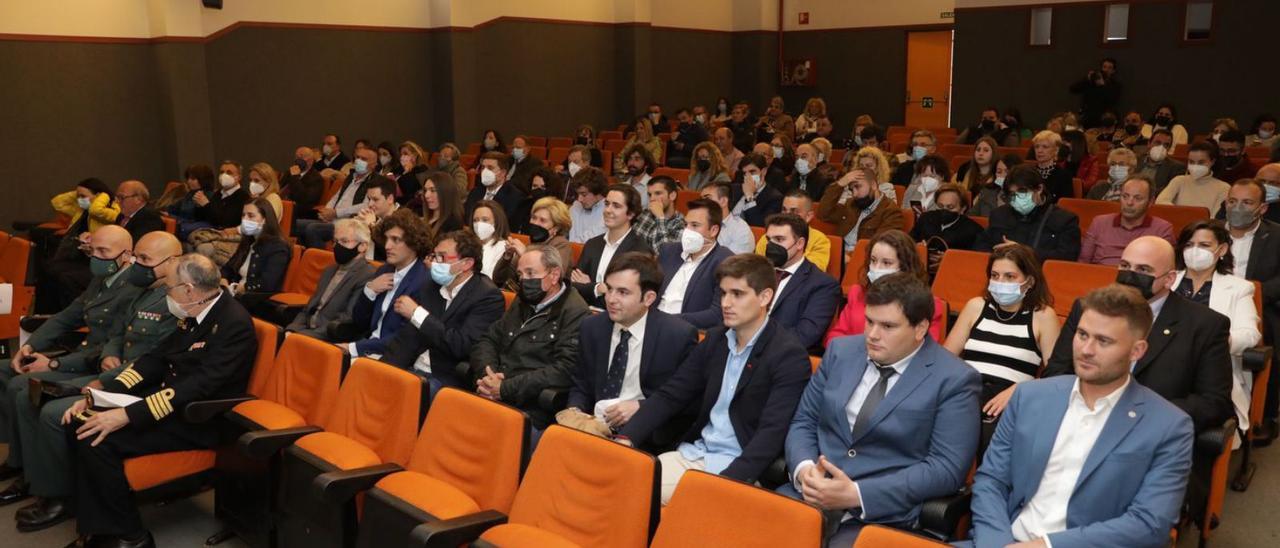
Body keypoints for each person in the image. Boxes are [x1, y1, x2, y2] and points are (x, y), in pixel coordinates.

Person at [968, 285, 1194, 548]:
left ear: (1137, 351)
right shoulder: (1029, 397)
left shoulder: (1169, 426)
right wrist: (996, 544)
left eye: (1103, 341)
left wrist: (1044, 546)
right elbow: (991, 481)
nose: (1086, 349)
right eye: (1082, 334)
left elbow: (1148, 524)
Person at [60, 253, 257, 548]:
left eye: (170, 288)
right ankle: (98, 527)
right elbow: (156, 359)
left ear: (189, 289)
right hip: (169, 404)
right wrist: (100, 391)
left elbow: (200, 386)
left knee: (95, 437)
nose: (167, 293)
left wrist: (127, 414)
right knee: (80, 422)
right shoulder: (193, 311)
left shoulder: (233, 324)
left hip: (198, 418)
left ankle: (131, 536)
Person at [782, 273, 981, 544]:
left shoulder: (955, 379)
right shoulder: (840, 351)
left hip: (881, 514)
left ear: (920, 328)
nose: (873, 335)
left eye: (888, 326)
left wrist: (858, 493)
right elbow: (804, 421)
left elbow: (946, 467)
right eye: (869, 322)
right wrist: (804, 469)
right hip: (809, 494)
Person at [7, 232, 181, 531]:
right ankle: (31, 472)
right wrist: (109, 356)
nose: (137, 264)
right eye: (137, 257)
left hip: (131, 380)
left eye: (144, 259)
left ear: (173, 261)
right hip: (108, 367)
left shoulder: (175, 298)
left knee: (47, 408)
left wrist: (99, 375)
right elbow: (118, 336)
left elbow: (155, 359)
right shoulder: (143, 289)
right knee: (25, 390)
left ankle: (59, 494)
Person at [618, 254, 811, 504]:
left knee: (635, 489)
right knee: (621, 475)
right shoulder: (716, 340)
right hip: (694, 454)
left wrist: (721, 485)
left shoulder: (788, 355)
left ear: (764, 297)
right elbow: (671, 395)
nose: (726, 303)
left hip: (739, 470)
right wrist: (626, 438)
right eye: (723, 293)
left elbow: (771, 434)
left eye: (737, 294)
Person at [0, 226, 137, 497]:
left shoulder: (132, 288)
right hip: (82, 354)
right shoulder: (102, 279)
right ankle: (20, 458)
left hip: (96, 363)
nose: (95, 257)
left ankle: (37, 475)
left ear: (126, 255)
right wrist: (29, 347)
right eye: (92, 250)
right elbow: (68, 316)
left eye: (103, 252)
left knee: (23, 386)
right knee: (4, 369)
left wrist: (54, 365)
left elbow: (108, 347)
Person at [1045, 236, 1232, 435]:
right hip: (1080, 420)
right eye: (1125, 266)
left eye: (1143, 270)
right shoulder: (1088, 308)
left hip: (1151, 432)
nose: (1130, 276)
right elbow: (1057, 372)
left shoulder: (1205, 325)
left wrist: (1140, 414)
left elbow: (1214, 402)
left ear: (1169, 279)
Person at [559, 253, 699, 450]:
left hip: (647, 437)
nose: (611, 299)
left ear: (648, 298)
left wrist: (641, 407)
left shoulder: (677, 336)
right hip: (593, 427)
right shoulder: (592, 327)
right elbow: (581, 384)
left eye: (623, 292)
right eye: (609, 289)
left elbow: (687, 400)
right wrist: (575, 412)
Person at [469, 244, 589, 435]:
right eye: (520, 274)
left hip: (530, 405)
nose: (524, 280)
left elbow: (563, 370)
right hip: (492, 389)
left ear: (554, 275)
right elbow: (489, 339)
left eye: (531, 273)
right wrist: (487, 375)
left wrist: (505, 388)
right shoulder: (523, 299)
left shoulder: (575, 311)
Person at [380, 230, 505, 395]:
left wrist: (418, 314)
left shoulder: (488, 297)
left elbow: (461, 345)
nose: (435, 263)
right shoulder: (430, 285)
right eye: (435, 256)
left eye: (442, 257)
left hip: (445, 377)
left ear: (466, 264)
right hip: (410, 366)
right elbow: (407, 336)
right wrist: (381, 369)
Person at [1172, 220, 1261, 440]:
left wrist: (1217, 340)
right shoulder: (1167, 280)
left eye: (1204, 245)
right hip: (1166, 365)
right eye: (1189, 244)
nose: (1195, 251)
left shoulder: (1238, 288)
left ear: (1221, 250)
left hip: (1211, 370)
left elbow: (1250, 335)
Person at [945, 244, 1060, 414]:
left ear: (1030, 281)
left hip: (1010, 403)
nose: (1000, 282)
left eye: (1010, 276)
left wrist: (1019, 390)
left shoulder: (1043, 316)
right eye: (995, 275)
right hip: (964, 393)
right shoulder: (976, 306)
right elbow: (945, 359)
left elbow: (1056, 378)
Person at [1221, 179, 1280, 444]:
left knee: (1272, 329)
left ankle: (1262, 413)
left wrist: (1252, 296)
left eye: (1247, 203)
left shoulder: (1276, 235)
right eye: (1233, 201)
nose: (1237, 208)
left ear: (1263, 208)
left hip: (1261, 304)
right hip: (1213, 303)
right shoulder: (1210, 231)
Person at [826, 229, 945, 344]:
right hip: (853, 361)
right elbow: (834, 337)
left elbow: (925, 353)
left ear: (905, 268)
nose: (877, 268)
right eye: (873, 260)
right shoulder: (857, 293)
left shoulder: (928, 305)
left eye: (886, 263)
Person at [344, 209, 430, 358]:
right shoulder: (384, 270)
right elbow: (359, 321)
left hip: (392, 356)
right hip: (367, 347)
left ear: (413, 243)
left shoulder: (424, 280)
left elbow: (404, 338)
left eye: (396, 240)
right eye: (387, 239)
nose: (387, 246)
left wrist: (354, 348)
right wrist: (369, 291)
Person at [759, 213, 841, 351]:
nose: (771, 245)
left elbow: (805, 335)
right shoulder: (756, 272)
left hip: (780, 356)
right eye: (769, 239)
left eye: (779, 239)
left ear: (799, 244)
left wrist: (757, 342)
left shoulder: (822, 284)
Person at [285, 219, 377, 339]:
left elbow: (345, 320)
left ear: (362, 246)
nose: (337, 246)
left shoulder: (367, 275)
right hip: (306, 330)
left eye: (344, 241)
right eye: (335, 241)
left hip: (328, 336)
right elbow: (308, 308)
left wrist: (302, 336)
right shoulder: (330, 270)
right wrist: (292, 329)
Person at [976, 165, 1082, 262]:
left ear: (1039, 189)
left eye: (1022, 191)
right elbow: (981, 245)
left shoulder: (1064, 220)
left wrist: (1024, 253)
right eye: (1012, 194)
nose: (1017, 198)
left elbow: (1067, 256)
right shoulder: (999, 215)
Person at [570, 184, 653, 308]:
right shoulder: (592, 244)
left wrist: (590, 287)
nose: (608, 210)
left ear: (631, 214)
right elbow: (574, 287)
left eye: (616, 206)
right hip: (583, 313)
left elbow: (625, 299)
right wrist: (598, 287)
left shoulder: (640, 250)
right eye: (607, 204)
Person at [657, 199, 734, 329]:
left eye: (694, 225)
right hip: (651, 326)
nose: (687, 231)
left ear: (714, 230)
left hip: (687, 332)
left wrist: (668, 321)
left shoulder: (725, 261)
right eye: (685, 224)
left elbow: (716, 314)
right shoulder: (669, 251)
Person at [296, 147, 388, 248]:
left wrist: (336, 213)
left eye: (364, 159)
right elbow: (336, 196)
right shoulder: (351, 177)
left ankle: (319, 258)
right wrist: (326, 212)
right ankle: (303, 255)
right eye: (357, 157)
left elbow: (366, 206)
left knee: (313, 228)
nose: (359, 161)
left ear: (374, 165)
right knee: (296, 224)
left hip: (349, 223)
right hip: (332, 219)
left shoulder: (375, 181)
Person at [1079, 175, 1175, 266]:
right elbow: (1083, 262)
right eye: (1125, 196)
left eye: (1138, 198)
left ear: (1150, 202)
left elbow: (1164, 269)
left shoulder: (1162, 229)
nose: (1129, 203)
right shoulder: (1099, 222)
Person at [220, 199, 291, 315]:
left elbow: (267, 283)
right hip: (235, 295)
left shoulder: (278, 248)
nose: (245, 220)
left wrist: (243, 288)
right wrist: (223, 280)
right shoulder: (248, 240)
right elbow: (228, 268)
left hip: (255, 301)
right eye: (243, 215)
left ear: (265, 219)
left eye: (251, 216)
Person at [493, 197, 574, 292]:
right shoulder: (531, 244)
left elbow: (551, 279)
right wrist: (507, 256)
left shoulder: (561, 245)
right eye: (534, 218)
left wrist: (524, 254)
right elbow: (498, 279)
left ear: (556, 228)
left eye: (542, 220)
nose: (535, 223)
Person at [820, 167, 905, 254]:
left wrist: (848, 256)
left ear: (873, 185)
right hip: (837, 253)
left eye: (858, 186)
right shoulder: (851, 204)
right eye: (851, 190)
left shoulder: (891, 212)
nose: (854, 194)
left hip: (860, 259)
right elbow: (824, 213)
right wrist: (840, 184)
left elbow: (879, 247)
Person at [912, 184, 985, 272]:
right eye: (940, 206)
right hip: (920, 270)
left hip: (954, 273)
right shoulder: (926, 219)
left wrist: (951, 259)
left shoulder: (974, 230)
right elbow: (909, 241)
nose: (944, 210)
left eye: (950, 207)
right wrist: (919, 248)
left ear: (962, 209)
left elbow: (977, 260)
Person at [754, 192, 832, 271]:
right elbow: (757, 267)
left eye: (794, 211)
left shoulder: (819, 240)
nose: (786, 215)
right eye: (784, 210)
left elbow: (813, 271)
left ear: (808, 216)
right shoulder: (769, 236)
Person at [1156, 141, 1230, 216]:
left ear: (1212, 161)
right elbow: (1161, 202)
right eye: (1191, 162)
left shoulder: (1223, 188)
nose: (1195, 166)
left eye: (1201, 162)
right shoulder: (1179, 180)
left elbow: (1215, 217)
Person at [464, 152, 526, 225]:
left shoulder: (515, 197)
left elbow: (506, 225)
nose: (484, 171)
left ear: (503, 173)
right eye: (483, 167)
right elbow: (467, 219)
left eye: (490, 168)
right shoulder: (475, 192)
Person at [633, 176, 686, 252]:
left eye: (658, 193)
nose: (652, 199)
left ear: (672, 196)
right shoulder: (645, 214)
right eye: (649, 194)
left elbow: (666, 255)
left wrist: (660, 217)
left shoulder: (680, 224)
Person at [731, 153, 784, 227]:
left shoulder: (775, 198)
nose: (748, 177)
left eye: (752, 172)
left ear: (764, 171)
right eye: (745, 173)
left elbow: (760, 227)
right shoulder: (734, 189)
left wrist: (749, 197)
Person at [700, 181, 753, 254]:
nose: (701, 203)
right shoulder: (697, 225)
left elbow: (733, 263)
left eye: (707, 199)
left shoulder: (741, 230)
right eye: (701, 199)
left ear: (723, 201)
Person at [1068, 58, 1122, 128]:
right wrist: (1087, 79)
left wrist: (1102, 86)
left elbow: (1112, 100)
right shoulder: (1091, 82)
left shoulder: (1115, 85)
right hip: (1088, 118)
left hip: (1104, 119)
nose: (1106, 70)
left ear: (1113, 71)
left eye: (1109, 68)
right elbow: (1073, 89)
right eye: (1104, 67)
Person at [1136, 129, 1187, 195]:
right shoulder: (1135, 160)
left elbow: (1170, 190)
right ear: (1149, 143)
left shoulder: (1177, 168)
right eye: (1157, 143)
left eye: (1166, 145)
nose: (1161, 147)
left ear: (1169, 148)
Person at [280, 146, 324, 221]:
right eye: (297, 156)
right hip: (283, 205)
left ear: (311, 161)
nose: (298, 159)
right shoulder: (289, 172)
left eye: (302, 156)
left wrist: (295, 177)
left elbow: (304, 199)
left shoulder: (316, 178)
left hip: (300, 212)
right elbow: (280, 188)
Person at [1027, 131, 1074, 202]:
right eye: (1037, 147)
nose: (1039, 150)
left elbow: (1065, 204)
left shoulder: (1064, 175)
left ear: (1056, 150)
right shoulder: (1028, 172)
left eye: (1045, 147)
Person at [469, 200, 510, 279]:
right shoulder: (467, 244)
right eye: (475, 220)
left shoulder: (504, 247)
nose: (479, 224)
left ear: (497, 221)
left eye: (485, 220)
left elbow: (492, 277)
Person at [422, 172, 466, 244]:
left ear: (445, 193)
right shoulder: (425, 219)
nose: (426, 195)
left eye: (433, 190)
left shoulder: (453, 224)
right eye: (425, 190)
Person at [972, 154, 1021, 218]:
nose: (1003, 175)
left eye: (1007, 172)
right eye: (999, 172)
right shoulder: (987, 192)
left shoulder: (1023, 197)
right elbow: (971, 215)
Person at [567, 167, 607, 243]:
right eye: (578, 194)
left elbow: (590, 240)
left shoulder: (608, 210)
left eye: (584, 194)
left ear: (598, 192)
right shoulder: (576, 206)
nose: (579, 199)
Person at [391, 141, 430, 206]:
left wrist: (407, 172)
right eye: (401, 154)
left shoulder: (422, 170)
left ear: (415, 156)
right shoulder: (399, 170)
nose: (402, 157)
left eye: (405, 154)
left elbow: (411, 192)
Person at [617, 142, 656, 208]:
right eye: (630, 159)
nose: (632, 163)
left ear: (646, 164)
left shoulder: (653, 186)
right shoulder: (623, 186)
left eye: (637, 159)